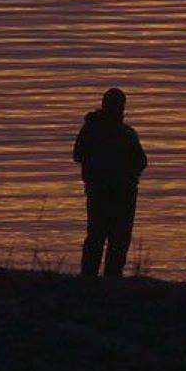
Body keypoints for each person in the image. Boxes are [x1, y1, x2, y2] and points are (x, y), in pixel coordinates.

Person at [73, 87, 148, 278]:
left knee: (111, 238)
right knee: (105, 237)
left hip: (116, 192)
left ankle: (101, 278)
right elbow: (79, 155)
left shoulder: (123, 134)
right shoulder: (120, 134)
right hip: (107, 192)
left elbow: (141, 162)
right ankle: (96, 278)